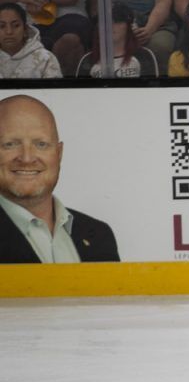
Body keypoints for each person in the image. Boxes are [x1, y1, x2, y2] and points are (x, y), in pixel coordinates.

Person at [0, 94, 120, 264]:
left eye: (41, 144)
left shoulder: (98, 234)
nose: (27, 158)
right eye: (10, 144)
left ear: (59, 153)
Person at [74, 2, 159, 77]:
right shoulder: (88, 60)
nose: (110, 26)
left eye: (118, 20)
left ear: (129, 26)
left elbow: (150, 92)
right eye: (105, 22)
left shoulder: (143, 55)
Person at [0, 2, 62, 78]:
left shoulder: (45, 58)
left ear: (25, 29)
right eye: (2, 26)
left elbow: (54, 90)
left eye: (16, 25)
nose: (9, 32)